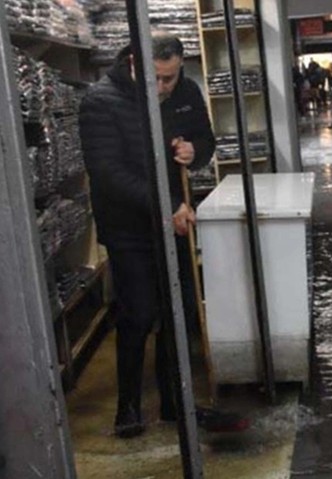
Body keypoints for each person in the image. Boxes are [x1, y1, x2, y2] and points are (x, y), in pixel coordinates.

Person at [79, 33, 245, 438]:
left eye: (171, 77)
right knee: (138, 313)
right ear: (135, 62)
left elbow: (206, 141)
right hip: (129, 226)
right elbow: (108, 173)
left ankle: (174, 401)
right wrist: (165, 204)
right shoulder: (100, 101)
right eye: (157, 78)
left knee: (180, 310)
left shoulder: (186, 91)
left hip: (176, 217)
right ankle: (129, 407)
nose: (165, 87)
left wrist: (195, 151)